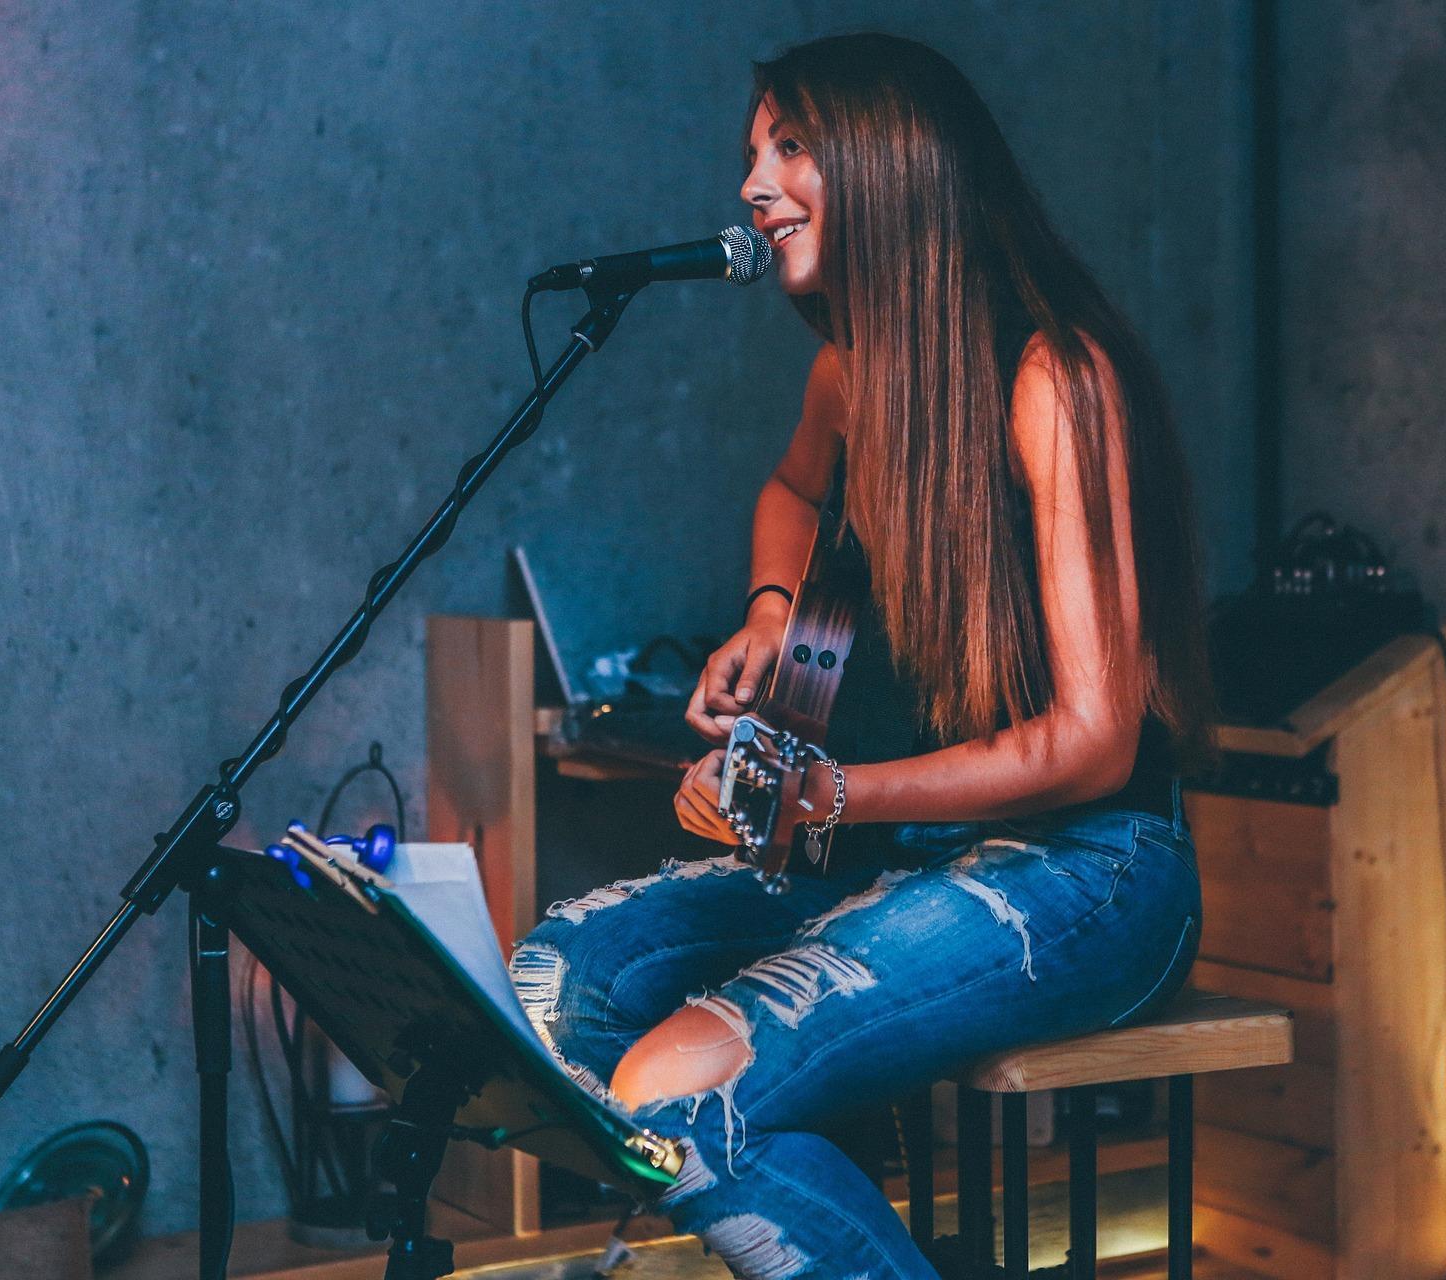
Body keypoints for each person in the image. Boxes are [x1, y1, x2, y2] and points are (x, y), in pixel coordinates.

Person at [508, 32, 1216, 1279]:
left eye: (790, 147)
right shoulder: (855, 371)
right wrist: (774, 613)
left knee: (674, 1085)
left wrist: (829, 792)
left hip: (1097, 869)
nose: (750, 186)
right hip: (889, 853)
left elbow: (1094, 740)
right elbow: (791, 490)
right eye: (751, 154)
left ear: (892, 165)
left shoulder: (1053, 375)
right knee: (551, 987)